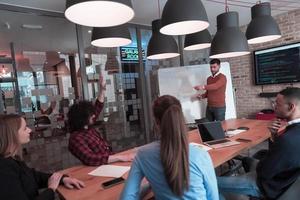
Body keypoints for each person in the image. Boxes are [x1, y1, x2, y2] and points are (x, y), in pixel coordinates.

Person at [120, 95, 219, 200]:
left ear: (156, 123)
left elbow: (126, 197)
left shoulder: (142, 155)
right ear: (181, 119)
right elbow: (213, 197)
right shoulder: (200, 155)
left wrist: (151, 181)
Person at [218, 87, 300, 199]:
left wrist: (262, 163)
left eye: (277, 104)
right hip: (285, 178)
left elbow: (264, 173)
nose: (274, 106)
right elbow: (279, 154)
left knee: (212, 183)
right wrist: (273, 135)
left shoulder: (288, 139)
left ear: (291, 107)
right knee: (248, 160)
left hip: (269, 186)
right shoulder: (292, 132)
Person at [0, 114, 85, 200]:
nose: (30, 130)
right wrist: (51, 190)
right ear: (12, 134)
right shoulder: (4, 169)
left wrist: (62, 179)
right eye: (25, 128)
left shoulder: (13, 159)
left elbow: (34, 177)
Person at [68, 75, 134, 166]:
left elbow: (98, 107)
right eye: (91, 115)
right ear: (82, 118)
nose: (94, 115)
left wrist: (102, 90)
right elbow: (90, 158)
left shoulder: (87, 126)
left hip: (110, 162)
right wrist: (119, 157)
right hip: (99, 168)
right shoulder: (75, 138)